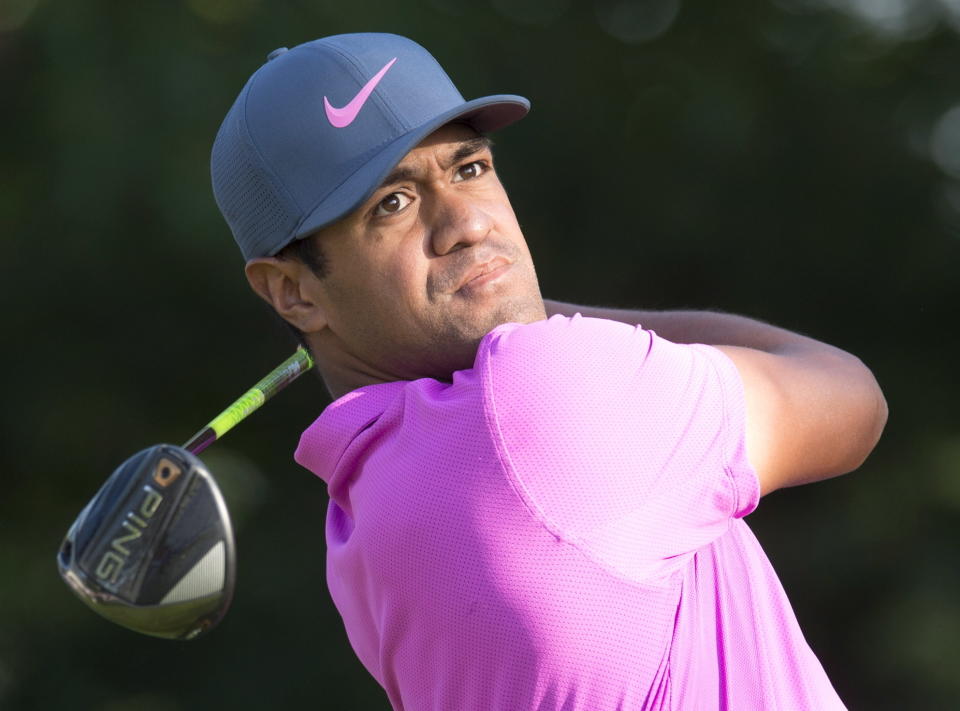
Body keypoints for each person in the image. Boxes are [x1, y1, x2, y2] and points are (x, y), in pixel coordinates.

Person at [211, 33, 887, 710]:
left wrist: (497, 304)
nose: (468, 224)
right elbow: (849, 396)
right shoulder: (547, 394)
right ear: (292, 291)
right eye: (393, 204)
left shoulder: (359, 519)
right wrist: (533, 313)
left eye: (469, 167)